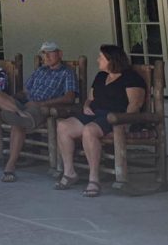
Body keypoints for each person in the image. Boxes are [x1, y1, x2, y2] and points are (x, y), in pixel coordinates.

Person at [55, 44, 146, 197]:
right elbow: (90, 98)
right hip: (94, 114)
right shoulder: (101, 76)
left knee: (89, 130)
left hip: (115, 117)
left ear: (112, 60)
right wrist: (86, 106)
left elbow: (135, 104)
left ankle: (94, 179)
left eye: (101, 57)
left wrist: (125, 123)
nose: (98, 60)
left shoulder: (131, 78)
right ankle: (69, 172)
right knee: (63, 126)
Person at [0, 41, 78, 182]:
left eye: (50, 52)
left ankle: (10, 165)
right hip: (24, 105)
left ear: (60, 54)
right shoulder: (40, 70)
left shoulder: (66, 72)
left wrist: (41, 103)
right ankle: (17, 112)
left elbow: (70, 98)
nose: (46, 56)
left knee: (18, 124)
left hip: (40, 108)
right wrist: (11, 99)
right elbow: (25, 92)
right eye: (44, 53)